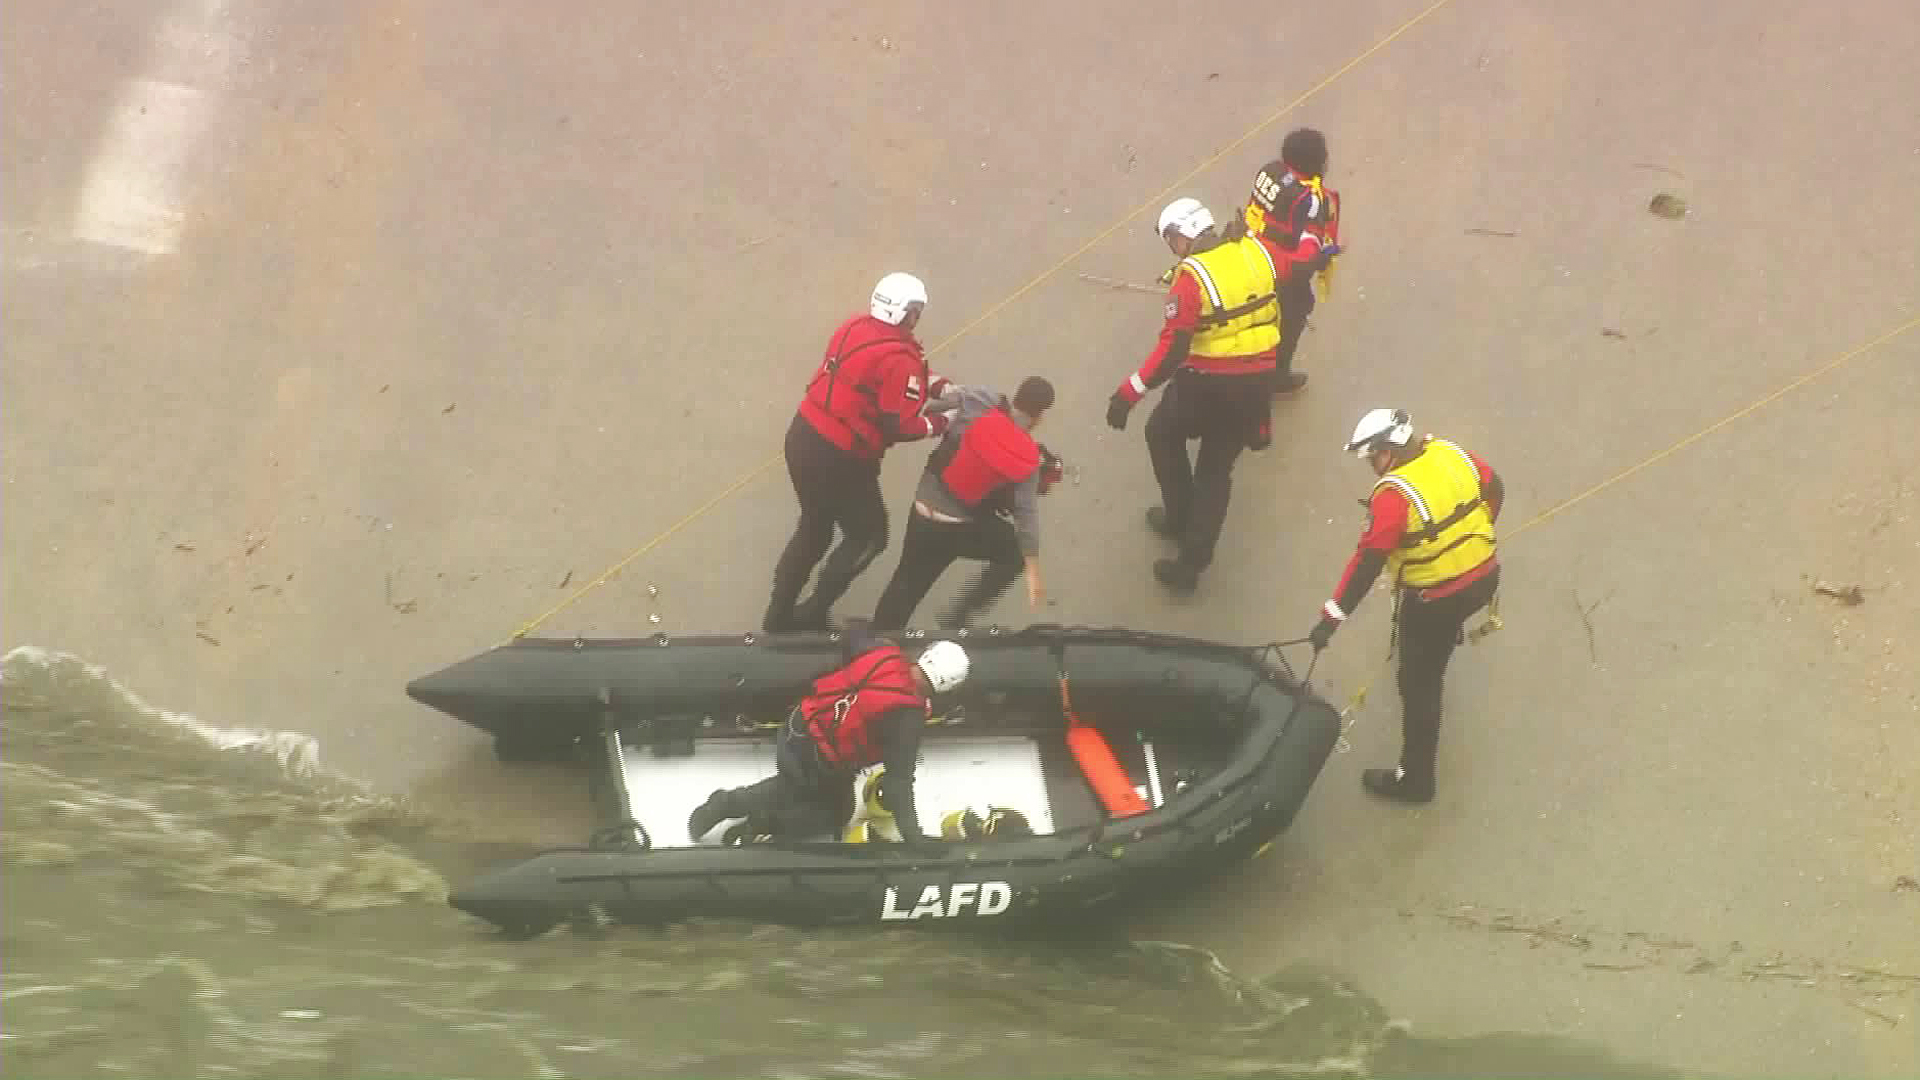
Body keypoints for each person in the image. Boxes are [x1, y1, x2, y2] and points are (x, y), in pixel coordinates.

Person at [1306, 408, 1504, 804]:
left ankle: (1415, 781)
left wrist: (1330, 619)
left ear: (1388, 451)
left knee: (1418, 684)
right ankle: (1444, 641)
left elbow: (1368, 562)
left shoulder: (1394, 497)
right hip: (1484, 580)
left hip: (1435, 600)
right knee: (1438, 642)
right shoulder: (1450, 453)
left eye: (1371, 458)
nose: (1371, 468)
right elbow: (1495, 488)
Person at [763, 273, 957, 634]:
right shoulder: (900, 358)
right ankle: (813, 612)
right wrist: (941, 423)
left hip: (803, 436)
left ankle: (779, 613)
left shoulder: (855, 326)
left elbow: (880, 376)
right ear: (906, 313)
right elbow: (899, 424)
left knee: (815, 526)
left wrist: (937, 384)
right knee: (869, 537)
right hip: (840, 458)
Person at [1106, 197, 1281, 593]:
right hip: (1255, 384)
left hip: (1206, 385)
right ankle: (1193, 562)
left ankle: (1178, 517)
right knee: (1216, 472)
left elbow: (1173, 350)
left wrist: (1127, 394)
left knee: (1161, 434)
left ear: (1181, 235)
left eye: (1170, 239)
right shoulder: (1255, 250)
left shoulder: (1192, 277)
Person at [687, 620, 969, 846]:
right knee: (828, 808)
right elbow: (899, 784)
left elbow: (853, 633)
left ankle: (752, 816)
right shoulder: (908, 718)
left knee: (810, 792)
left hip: (798, 724)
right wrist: (914, 837)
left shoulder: (884, 653)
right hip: (813, 759)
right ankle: (733, 809)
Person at [869, 376, 1059, 632]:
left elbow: (935, 407)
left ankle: (878, 638)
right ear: (1039, 415)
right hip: (960, 527)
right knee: (1014, 555)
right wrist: (1033, 566)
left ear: (1017, 393)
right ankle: (960, 613)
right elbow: (1026, 517)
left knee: (906, 582)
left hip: (924, 508)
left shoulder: (980, 398)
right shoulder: (1027, 458)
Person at [1226, 127, 1342, 395]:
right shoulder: (1310, 201)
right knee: (1291, 321)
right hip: (1278, 276)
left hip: (1246, 251)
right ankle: (1277, 376)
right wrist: (1324, 256)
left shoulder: (1270, 171)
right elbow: (1304, 259)